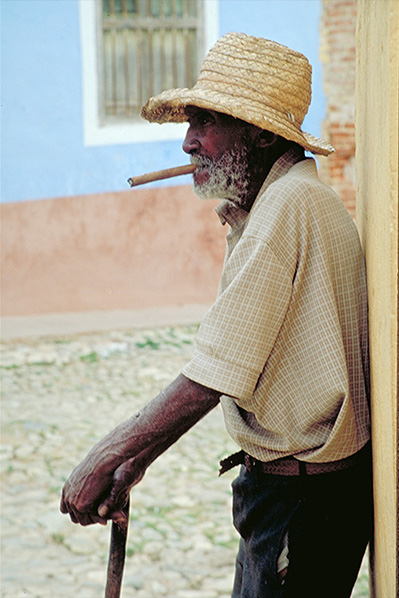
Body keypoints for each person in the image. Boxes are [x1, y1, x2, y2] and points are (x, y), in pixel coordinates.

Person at [60, 33, 372, 597]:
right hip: (289, 499)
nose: (187, 143)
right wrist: (139, 462)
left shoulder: (290, 205)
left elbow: (215, 371)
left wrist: (111, 454)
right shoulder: (276, 203)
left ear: (256, 131)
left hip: (304, 505)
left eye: (205, 123)